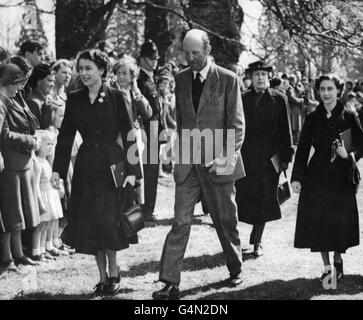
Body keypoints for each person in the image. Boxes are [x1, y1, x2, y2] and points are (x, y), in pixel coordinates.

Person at [152, 29, 245, 300]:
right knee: (180, 222)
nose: (191, 58)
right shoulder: (180, 80)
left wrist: (226, 156)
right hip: (188, 164)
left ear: (207, 50)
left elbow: (237, 125)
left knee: (225, 220)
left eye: (195, 53)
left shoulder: (228, 80)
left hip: (219, 163)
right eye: (187, 53)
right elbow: (181, 123)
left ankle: (236, 267)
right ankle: (170, 282)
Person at [50, 49, 141, 297]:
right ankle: (102, 277)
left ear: (102, 70)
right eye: (81, 68)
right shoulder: (75, 98)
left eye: (88, 68)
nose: (83, 73)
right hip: (86, 167)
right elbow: (66, 135)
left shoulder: (117, 96)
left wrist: (134, 172)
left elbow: (130, 135)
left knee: (108, 220)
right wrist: (58, 170)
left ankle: (114, 271)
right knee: (92, 222)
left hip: (112, 166)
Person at [291, 74, 363, 283]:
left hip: (341, 177)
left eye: (330, 89)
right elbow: (303, 148)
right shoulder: (312, 118)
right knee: (319, 220)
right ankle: (326, 266)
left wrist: (349, 156)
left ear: (338, 91)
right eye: (322, 89)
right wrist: (297, 177)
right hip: (317, 177)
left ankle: (338, 259)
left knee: (339, 221)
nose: (326, 93)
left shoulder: (349, 115)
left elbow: (361, 144)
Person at [235, 61, 294, 257]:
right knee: (247, 198)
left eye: (263, 74)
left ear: (269, 77)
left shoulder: (279, 99)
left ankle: (258, 241)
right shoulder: (242, 99)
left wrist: (286, 157)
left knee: (265, 198)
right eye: (256, 74)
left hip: (270, 159)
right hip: (247, 158)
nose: (260, 78)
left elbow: (286, 130)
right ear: (250, 78)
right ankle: (252, 230)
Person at [0, 63, 40, 271]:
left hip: (20, 162)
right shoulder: (2, 102)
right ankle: (8, 258)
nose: (20, 88)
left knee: (18, 213)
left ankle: (18, 254)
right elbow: (4, 135)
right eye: (18, 83)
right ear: (9, 82)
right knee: (10, 214)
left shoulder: (11, 99)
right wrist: (30, 141)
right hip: (10, 163)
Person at [112, 55, 152, 204]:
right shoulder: (112, 91)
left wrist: (137, 93)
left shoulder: (134, 92)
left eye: (125, 73)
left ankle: (135, 207)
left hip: (135, 136)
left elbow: (147, 113)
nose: (121, 77)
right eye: (118, 73)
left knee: (135, 172)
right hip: (118, 138)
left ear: (132, 76)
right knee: (120, 172)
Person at [137, 39, 161, 222]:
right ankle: (145, 209)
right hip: (146, 129)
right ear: (142, 58)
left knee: (153, 170)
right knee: (147, 170)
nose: (154, 61)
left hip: (155, 129)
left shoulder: (152, 79)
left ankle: (149, 208)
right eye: (150, 58)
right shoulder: (139, 80)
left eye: (156, 58)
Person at [31, 130, 63, 262]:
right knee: (41, 226)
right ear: (39, 145)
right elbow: (36, 184)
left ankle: (43, 249)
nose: (50, 147)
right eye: (47, 144)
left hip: (49, 195)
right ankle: (35, 251)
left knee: (47, 225)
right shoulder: (37, 162)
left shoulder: (47, 162)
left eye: (52, 144)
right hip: (42, 197)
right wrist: (39, 202)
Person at [26, 64, 55, 129]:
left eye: (53, 81)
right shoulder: (32, 103)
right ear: (39, 82)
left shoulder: (46, 99)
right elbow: (37, 132)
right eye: (50, 81)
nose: (53, 84)